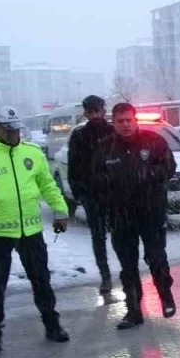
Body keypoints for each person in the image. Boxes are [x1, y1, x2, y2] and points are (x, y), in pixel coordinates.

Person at [0, 106, 70, 358]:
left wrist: (60, 211)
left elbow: (47, 185)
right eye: (7, 129)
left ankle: (53, 325)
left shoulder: (31, 152)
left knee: (41, 280)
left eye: (15, 128)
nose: (12, 133)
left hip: (30, 229)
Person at [99, 102, 176, 329]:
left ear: (135, 120)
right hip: (120, 216)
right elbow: (95, 179)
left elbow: (169, 167)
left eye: (128, 120)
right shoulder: (105, 148)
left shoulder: (154, 141)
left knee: (156, 258)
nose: (125, 125)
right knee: (128, 266)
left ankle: (166, 296)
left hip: (150, 212)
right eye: (120, 121)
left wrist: (147, 174)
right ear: (113, 122)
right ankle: (133, 311)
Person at [67, 95, 116, 293]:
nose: (95, 115)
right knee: (98, 236)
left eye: (98, 111)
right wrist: (79, 192)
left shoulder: (114, 132)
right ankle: (105, 276)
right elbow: (73, 166)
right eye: (91, 111)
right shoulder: (79, 135)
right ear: (86, 113)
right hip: (91, 194)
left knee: (121, 234)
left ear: (103, 111)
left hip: (114, 193)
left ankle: (127, 271)